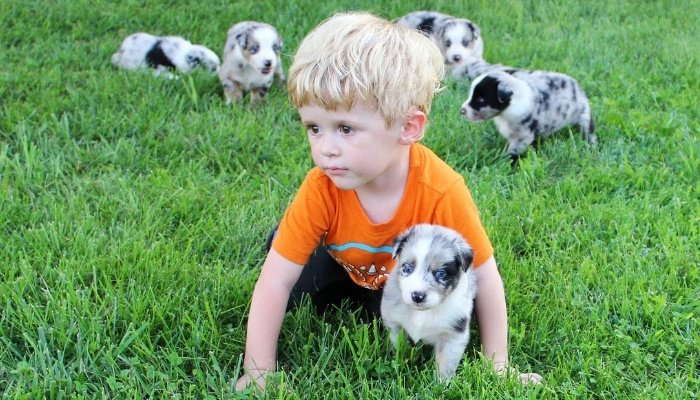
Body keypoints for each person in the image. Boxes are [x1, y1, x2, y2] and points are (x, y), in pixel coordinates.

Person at [236, 11, 542, 391]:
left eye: (345, 128)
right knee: (293, 285)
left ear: (408, 127)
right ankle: (287, 239)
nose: (326, 148)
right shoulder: (321, 187)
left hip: (396, 280)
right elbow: (274, 282)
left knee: (406, 316)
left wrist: (499, 366)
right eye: (314, 128)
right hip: (340, 263)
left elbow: (485, 276)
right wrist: (258, 370)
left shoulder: (441, 189)